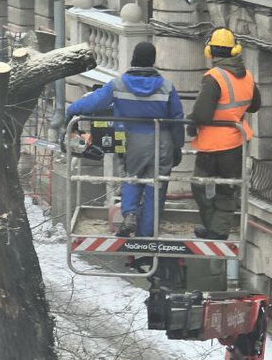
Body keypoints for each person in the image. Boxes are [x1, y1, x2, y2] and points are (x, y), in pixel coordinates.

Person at [65, 41, 184, 238]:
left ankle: (129, 215)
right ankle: (147, 235)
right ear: (153, 61)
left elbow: (94, 102)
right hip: (162, 142)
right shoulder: (166, 87)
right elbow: (177, 118)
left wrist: (71, 110)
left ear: (133, 59)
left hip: (134, 141)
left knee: (132, 177)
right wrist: (177, 146)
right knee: (156, 185)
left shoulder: (119, 84)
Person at [188, 29, 261, 240]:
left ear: (210, 51)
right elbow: (255, 105)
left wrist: (191, 123)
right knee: (228, 189)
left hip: (211, 145)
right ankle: (219, 231)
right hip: (236, 142)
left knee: (199, 186)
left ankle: (212, 226)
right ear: (235, 50)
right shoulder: (247, 76)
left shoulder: (214, 77)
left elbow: (202, 113)